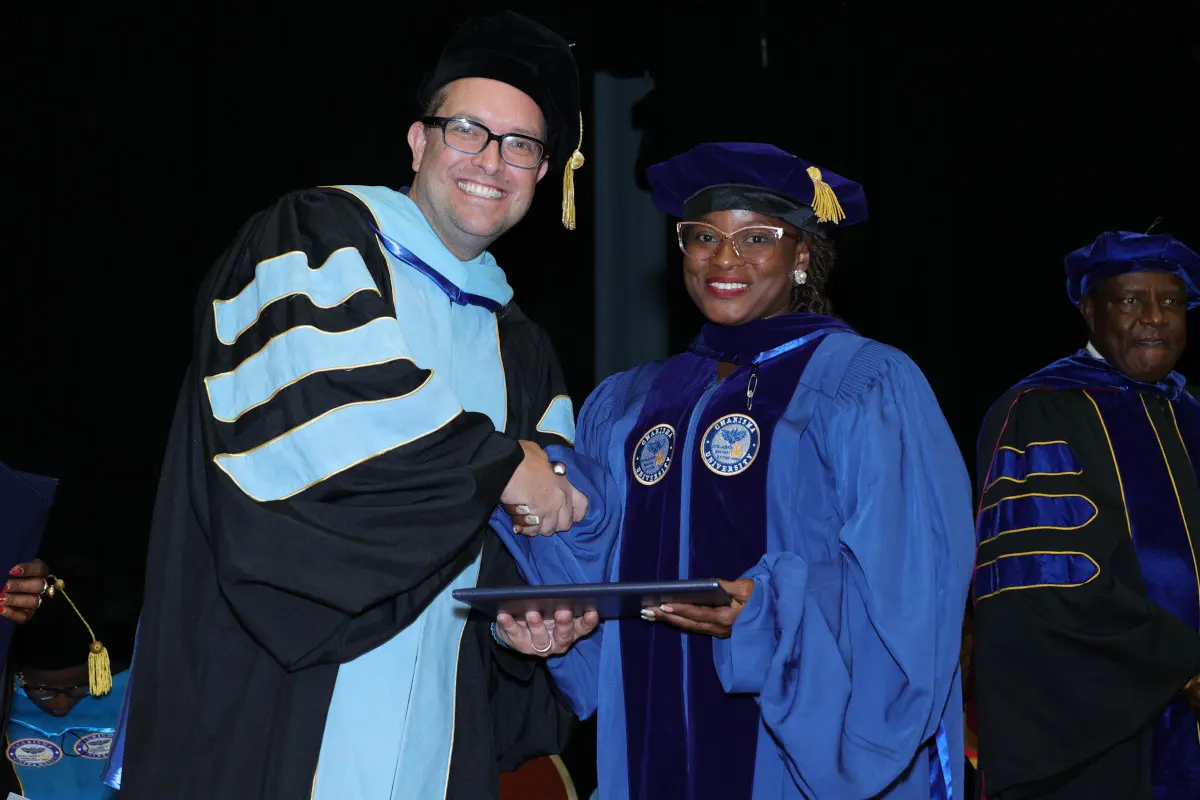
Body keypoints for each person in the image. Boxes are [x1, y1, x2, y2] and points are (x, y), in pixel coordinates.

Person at [114, 11, 598, 800]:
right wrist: (503, 465)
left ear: (544, 173)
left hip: (438, 730)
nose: (491, 161)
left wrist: (528, 623)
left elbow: (533, 537)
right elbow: (326, 434)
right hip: (274, 701)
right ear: (417, 141)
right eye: (467, 130)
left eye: (520, 145)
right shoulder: (315, 239)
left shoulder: (524, 350)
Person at [489, 142, 976, 799]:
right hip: (654, 733)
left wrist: (774, 614)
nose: (724, 259)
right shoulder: (632, 400)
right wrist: (549, 557)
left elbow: (913, 581)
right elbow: (596, 564)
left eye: (756, 238)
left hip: (793, 744)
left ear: (801, 255)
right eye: (703, 237)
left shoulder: (864, 383)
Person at [970, 230, 1200, 799]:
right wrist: (1184, 667)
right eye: (1130, 300)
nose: (1154, 317)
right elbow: (1045, 582)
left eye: (1171, 302)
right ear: (1090, 311)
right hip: (1099, 735)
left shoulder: (1189, 413)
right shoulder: (1043, 410)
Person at [2, 571, 131, 799]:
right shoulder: (7, 698)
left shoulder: (133, 693)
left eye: (79, 687)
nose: (60, 705)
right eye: (41, 690)